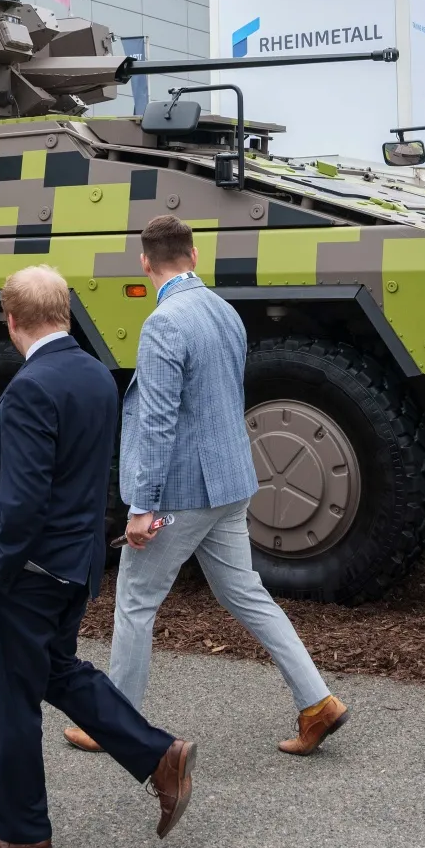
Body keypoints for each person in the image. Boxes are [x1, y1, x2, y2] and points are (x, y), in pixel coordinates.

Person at [64, 215, 347, 759]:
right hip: (231, 481)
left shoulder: (164, 323)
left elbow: (157, 422)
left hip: (183, 493)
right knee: (245, 594)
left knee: (135, 600)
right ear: (194, 256)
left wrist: (141, 507)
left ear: (145, 264)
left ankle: (115, 725)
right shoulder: (225, 312)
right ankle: (317, 703)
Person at [0, 264, 196, 848]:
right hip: (75, 562)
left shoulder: (31, 388)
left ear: (11, 319)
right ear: (64, 312)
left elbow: (24, 502)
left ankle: (22, 829)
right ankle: (159, 755)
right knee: (54, 670)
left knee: (9, 696)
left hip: (31, 568)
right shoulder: (95, 374)